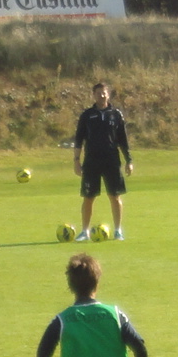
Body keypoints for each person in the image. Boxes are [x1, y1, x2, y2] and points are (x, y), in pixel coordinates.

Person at [73, 82, 133, 241]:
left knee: (115, 196)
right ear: (94, 95)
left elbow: (123, 140)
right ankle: (84, 231)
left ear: (108, 94)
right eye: (98, 93)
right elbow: (79, 139)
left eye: (104, 93)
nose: (102, 95)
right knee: (88, 197)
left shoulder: (116, 114)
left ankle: (118, 230)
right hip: (92, 161)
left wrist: (129, 161)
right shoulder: (87, 115)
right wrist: (76, 161)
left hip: (112, 161)